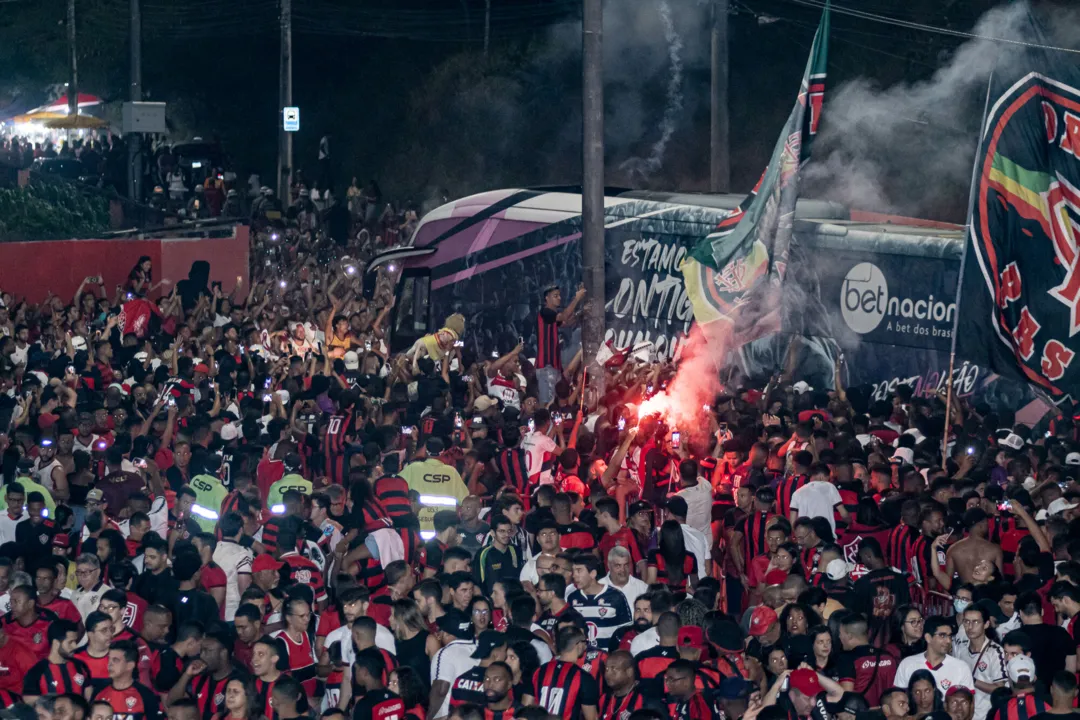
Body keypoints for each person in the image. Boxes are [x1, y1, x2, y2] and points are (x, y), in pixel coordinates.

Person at [532, 627, 599, 720]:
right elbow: (591, 718)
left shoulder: (539, 671)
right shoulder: (583, 677)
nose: (586, 646)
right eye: (584, 642)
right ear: (578, 645)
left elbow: (529, 708)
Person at [895, 616, 974, 695]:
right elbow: (898, 698)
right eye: (942, 635)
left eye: (950, 636)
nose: (948, 641)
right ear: (928, 638)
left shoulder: (961, 667)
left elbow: (968, 702)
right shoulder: (907, 664)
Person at [91, 641, 162, 720]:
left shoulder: (145, 695)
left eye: (116, 660)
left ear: (130, 665)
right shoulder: (99, 690)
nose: (109, 664)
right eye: (109, 659)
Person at [22, 619, 90, 701]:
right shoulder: (36, 672)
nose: (75, 646)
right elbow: (30, 705)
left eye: (75, 642)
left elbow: (88, 701)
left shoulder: (81, 666)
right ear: (56, 643)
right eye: (70, 642)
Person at [351, 648, 405, 720]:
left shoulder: (363, 706)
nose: (355, 673)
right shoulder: (397, 698)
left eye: (356, 668)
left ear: (364, 672)